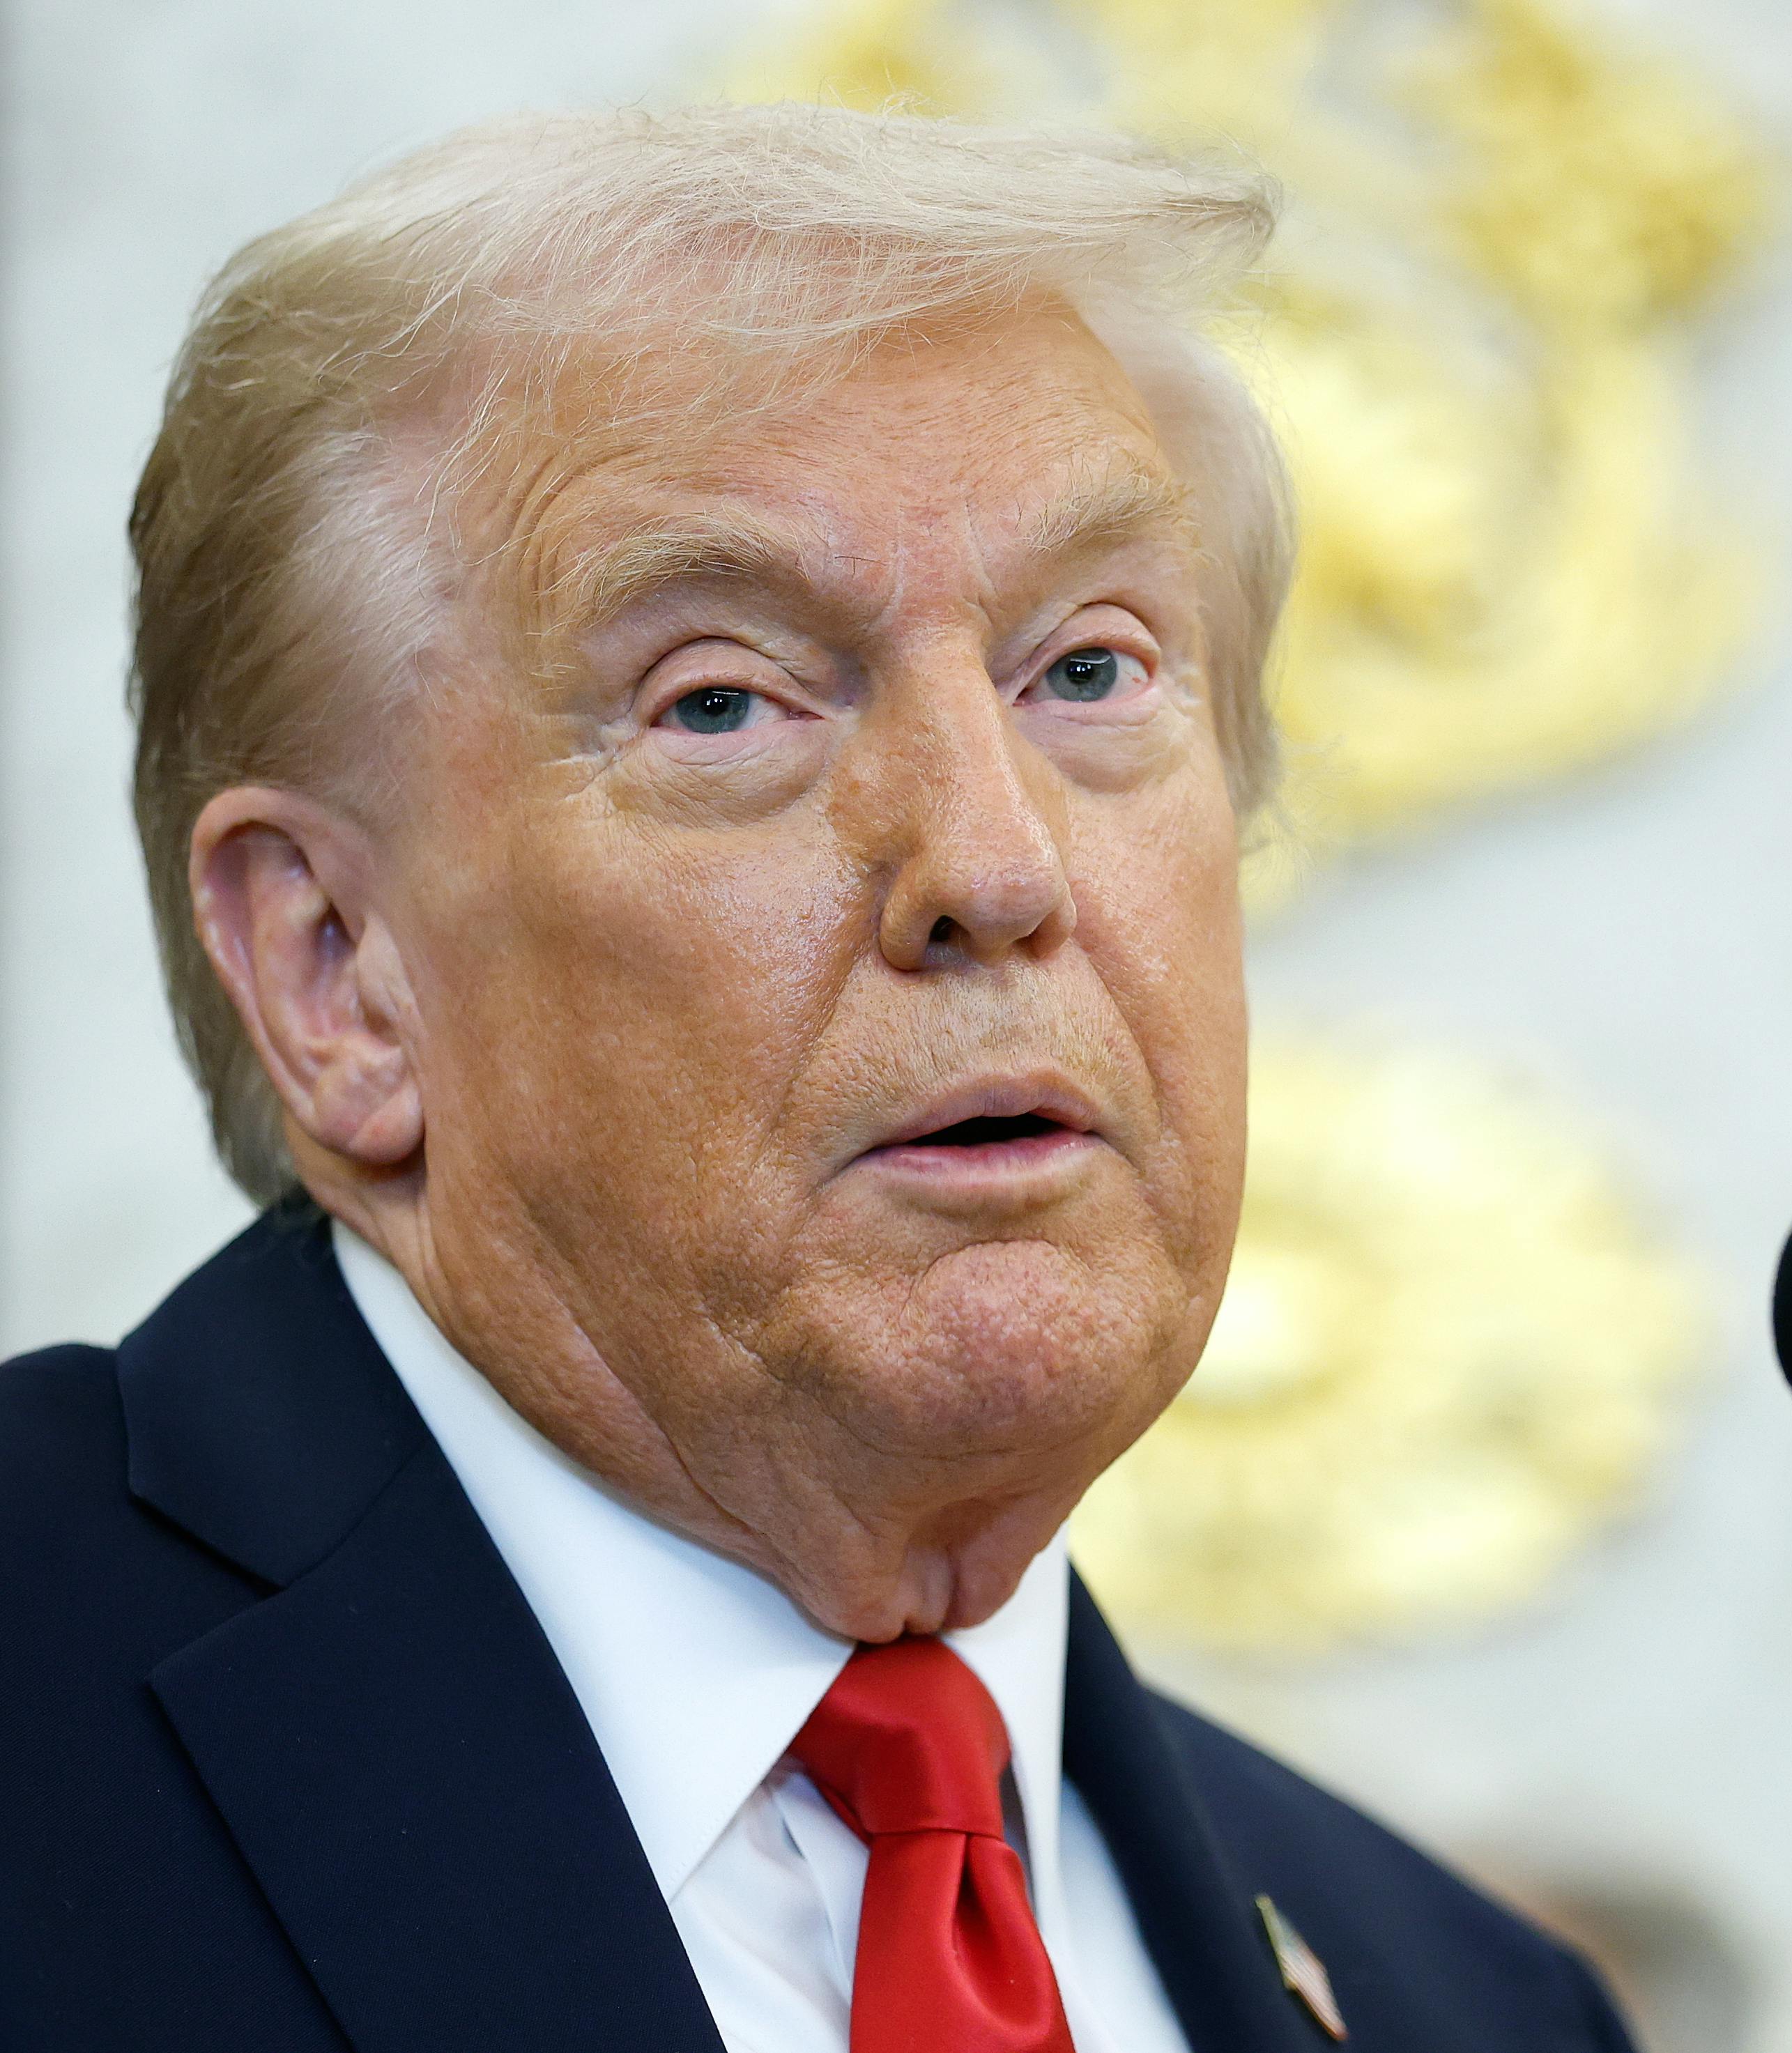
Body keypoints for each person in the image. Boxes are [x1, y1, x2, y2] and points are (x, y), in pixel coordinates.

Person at [0, 104, 1637, 2053]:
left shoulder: (1476, 2002)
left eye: (1090, 670)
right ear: (336, 972)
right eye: (723, 700)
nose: (995, 864)